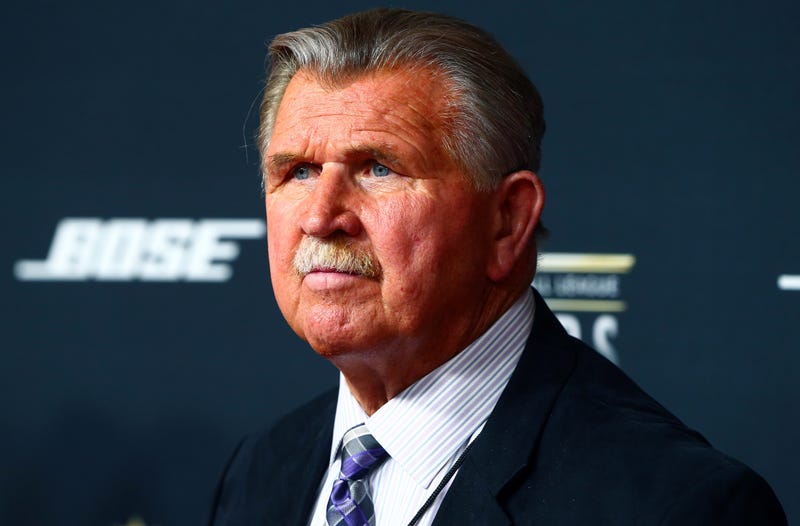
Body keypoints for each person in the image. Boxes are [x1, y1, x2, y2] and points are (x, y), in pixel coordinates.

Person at [209, 8, 786, 525]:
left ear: (508, 221)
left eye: (379, 168)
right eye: (298, 172)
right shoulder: (258, 471)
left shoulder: (677, 506)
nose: (321, 216)